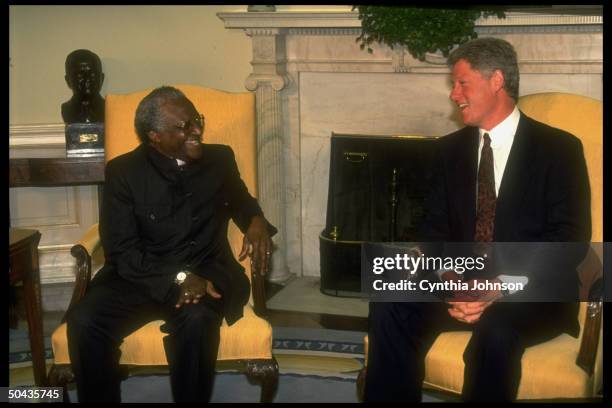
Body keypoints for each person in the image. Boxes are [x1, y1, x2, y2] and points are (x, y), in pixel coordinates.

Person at [364, 38, 591, 402]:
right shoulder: (447, 150)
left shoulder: (559, 150)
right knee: (390, 300)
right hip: (458, 285)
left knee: (496, 332)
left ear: (496, 80)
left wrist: (498, 286)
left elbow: (569, 241)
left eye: (462, 83)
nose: (454, 95)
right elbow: (431, 229)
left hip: (527, 294)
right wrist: (452, 278)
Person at [66, 86, 276, 402]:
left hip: (206, 271)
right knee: (85, 321)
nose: (196, 130)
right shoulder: (124, 172)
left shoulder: (220, 158)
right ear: (154, 136)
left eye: (197, 120)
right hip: (138, 276)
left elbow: (241, 200)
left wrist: (256, 221)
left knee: (197, 320)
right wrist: (177, 279)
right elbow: (122, 250)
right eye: (182, 127)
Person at [61, 49, 105, 123]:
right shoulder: (66, 109)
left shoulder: (111, 109)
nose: (87, 79)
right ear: (68, 80)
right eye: (80, 75)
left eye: (92, 74)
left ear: (102, 78)